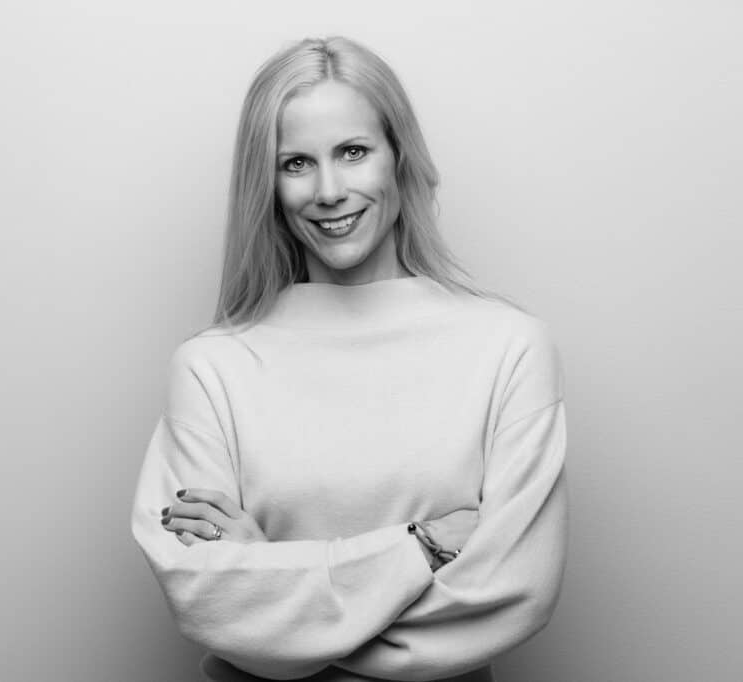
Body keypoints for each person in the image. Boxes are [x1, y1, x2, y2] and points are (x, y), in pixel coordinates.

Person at [129, 35, 568, 682]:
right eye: (296, 163)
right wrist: (421, 547)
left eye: (354, 152)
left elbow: (513, 596)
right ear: (267, 183)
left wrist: (269, 581)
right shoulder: (212, 367)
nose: (329, 190)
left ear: (399, 158)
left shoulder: (508, 349)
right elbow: (205, 601)